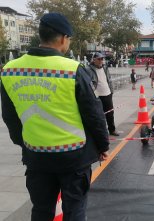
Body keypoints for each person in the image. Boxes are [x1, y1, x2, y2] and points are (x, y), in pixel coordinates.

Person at [0, 12, 109, 221]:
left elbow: (9, 116)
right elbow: (93, 114)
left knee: (41, 210)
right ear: (62, 38)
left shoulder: (9, 70)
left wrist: (22, 142)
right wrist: (102, 146)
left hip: (36, 156)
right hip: (73, 158)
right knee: (74, 210)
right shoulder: (72, 69)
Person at [86, 52, 120, 136]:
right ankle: (100, 131)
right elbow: (88, 82)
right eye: (99, 59)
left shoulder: (105, 67)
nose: (101, 60)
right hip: (97, 95)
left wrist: (111, 90)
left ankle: (112, 130)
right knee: (98, 115)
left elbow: (109, 79)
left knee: (110, 113)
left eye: (102, 59)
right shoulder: (89, 69)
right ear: (94, 60)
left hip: (107, 93)